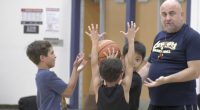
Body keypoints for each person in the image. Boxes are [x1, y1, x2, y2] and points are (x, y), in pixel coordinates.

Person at [138, 0, 200, 110]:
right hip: (155, 103)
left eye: (172, 13)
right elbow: (148, 66)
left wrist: (166, 79)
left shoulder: (192, 36)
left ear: (181, 15)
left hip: (180, 104)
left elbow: (195, 72)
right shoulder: (159, 36)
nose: (167, 18)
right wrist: (131, 81)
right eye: (164, 14)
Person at [85, 21, 139, 110]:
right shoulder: (124, 88)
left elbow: (94, 64)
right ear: (121, 75)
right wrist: (131, 40)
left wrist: (94, 42)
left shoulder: (98, 89)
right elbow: (130, 63)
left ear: (101, 75)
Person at [26, 40, 87, 110]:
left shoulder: (41, 75)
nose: (55, 56)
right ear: (42, 58)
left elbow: (67, 94)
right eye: (52, 53)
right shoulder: (47, 75)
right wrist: (75, 67)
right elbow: (69, 91)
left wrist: (76, 72)